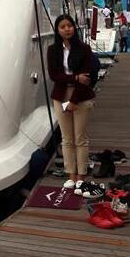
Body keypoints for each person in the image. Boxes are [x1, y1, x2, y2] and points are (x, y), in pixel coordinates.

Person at [47, 14, 96, 194]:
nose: (67, 29)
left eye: (69, 25)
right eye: (62, 27)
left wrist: (74, 101)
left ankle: (81, 176)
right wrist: (75, 77)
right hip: (60, 96)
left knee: (80, 138)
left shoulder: (84, 49)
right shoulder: (53, 50)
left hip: (81, 96)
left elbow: (87, 78)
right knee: (67, 138)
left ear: (74, 27)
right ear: (57, 30)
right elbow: (54, 75)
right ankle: (71, 175)